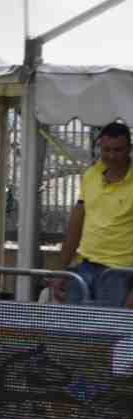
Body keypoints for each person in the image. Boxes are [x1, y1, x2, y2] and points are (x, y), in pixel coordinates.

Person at [57, 121, 133, 307]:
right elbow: (76, 224)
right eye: (106, 150)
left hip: (120, 272)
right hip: (83, 266)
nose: (111, 155)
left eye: (118, 150)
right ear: (99, 148)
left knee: (111, 332)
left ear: (130, 149)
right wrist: (62, 271)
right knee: (73, 328)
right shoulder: (91, 175)